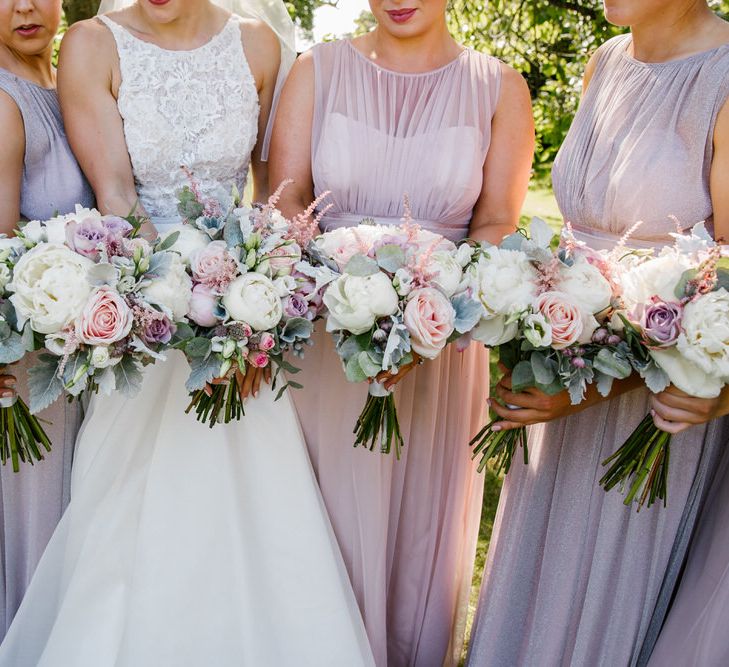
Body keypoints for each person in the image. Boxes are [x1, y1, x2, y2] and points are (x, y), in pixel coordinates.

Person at [0, 1, 374, 664]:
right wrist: (183, 302)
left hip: (242, 305)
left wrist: (251, 306)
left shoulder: (258, 45)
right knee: (130, 517)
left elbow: (273, 195)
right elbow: (114, 193)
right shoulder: (92, 45)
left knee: (260, 510)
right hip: (147, 311)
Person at [269, 1, 534, 664]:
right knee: (319, 528)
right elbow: (287, 205)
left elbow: (497, 218)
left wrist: (429, 310)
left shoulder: (498, 86)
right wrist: (340, 292)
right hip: (327, 335)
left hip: (438, 342)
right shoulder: (314, 70)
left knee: (417, 543)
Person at [468, 1, 729, 665]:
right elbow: (582, 234)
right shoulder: (604, 63)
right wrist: (532, 331)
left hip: (656, 407)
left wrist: (588, 391)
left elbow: (721, 285)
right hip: (563, 377)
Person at [0, 0, 93, 638]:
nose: (25, 6)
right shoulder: (5, 104)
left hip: (82, 353)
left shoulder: (69, 88)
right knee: (37, 536)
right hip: (27, 368)